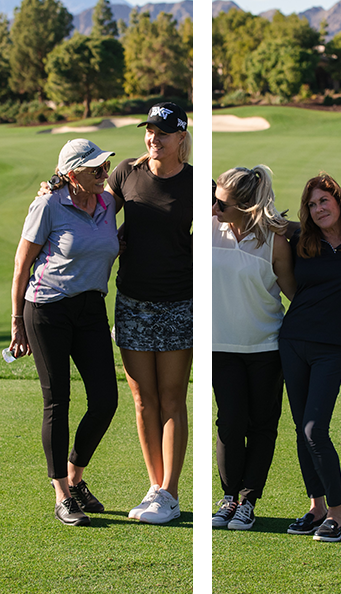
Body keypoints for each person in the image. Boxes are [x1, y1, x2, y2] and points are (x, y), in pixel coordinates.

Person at [9, 139, 120, 527]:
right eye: (95, 169)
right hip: (46, 310)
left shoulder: (107, 202)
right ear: (72, 174)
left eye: (105, 166)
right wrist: (17, 321)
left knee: (106, 399)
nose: (104, 173)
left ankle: (75, 478)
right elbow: (21, 266)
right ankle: (61, 494)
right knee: (58, 401)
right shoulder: (47, 205)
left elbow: (143, 168)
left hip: (90, 308)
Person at [105, 102, 194, 525]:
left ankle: (170, 493)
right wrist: (54, 191)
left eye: (162, 132)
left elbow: (228, 221)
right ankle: (155, 486)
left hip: (179, 301)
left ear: (181, 138)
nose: (153, 138)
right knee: (143, 401)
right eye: (149, 131)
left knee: (173, 397)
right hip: (132, 301)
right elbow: (97, 211)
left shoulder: (198, 181)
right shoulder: (126, 173)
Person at [279, 173, 341, 542]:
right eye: (311, 205)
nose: (317, 210)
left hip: (332, 348)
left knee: (315, 429)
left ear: (338, 201)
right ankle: (316, 508)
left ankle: (339, 515)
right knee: (302, 430)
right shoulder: (301, 238)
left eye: (323, 202)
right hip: (294, 339)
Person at [211, 165, 295, 530]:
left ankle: (248, 500)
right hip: (219, 346)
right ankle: (228, 497)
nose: (214, 209)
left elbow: (294, 294)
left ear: (246, 206)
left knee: (262, 425)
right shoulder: (209, 229)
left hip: (265, 347)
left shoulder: (275, 242)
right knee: (229, 423)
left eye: (221, 205)